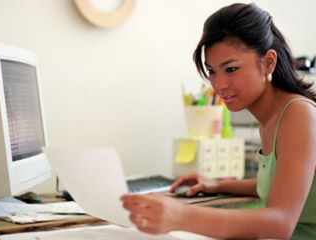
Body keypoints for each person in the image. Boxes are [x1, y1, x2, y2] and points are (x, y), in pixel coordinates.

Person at [121, 3, 316, 239]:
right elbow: (279, 183)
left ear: (268, 62)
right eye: (212, 71)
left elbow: (280, 223)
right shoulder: (272, 116)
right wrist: (216, 184)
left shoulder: (298, 113)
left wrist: (180, 216)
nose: (219, 84)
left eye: (231, 69)